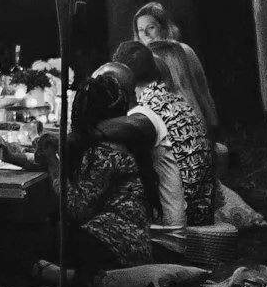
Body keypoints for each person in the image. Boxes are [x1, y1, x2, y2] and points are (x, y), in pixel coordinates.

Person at [0, 70, 149, 287]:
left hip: (114, 244)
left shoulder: (105, 152)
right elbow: (67, 168)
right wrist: (15, 157)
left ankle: (71, 279)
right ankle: (60, 276)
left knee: (12, 245)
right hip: (117, 240)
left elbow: (76, 207)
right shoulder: (108, 142)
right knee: (25, 240)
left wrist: (52, 161)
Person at [93, 41, 219, 228]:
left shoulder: (147, 112)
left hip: (175, 231)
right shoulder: (174, 100)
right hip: (201, 216)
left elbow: (114, 132)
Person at [133, 1, 219, 139]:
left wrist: (213, 124)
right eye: (141, 30)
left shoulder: (184, 51)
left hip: (187, 124)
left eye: (151, 27)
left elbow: (202, 89)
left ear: (163, 27)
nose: (146, 35)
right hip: (162, 128)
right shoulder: (142, 59)